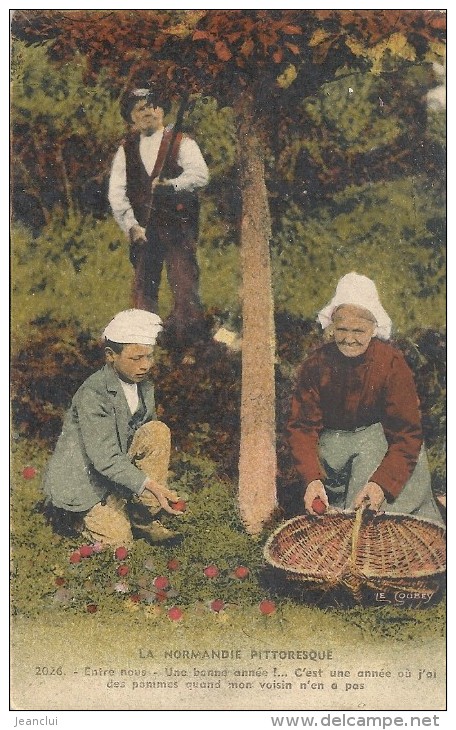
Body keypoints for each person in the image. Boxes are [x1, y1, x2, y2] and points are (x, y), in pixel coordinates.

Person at [286, 272, 443, 525]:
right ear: (331, 328)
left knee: (376, 454)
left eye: (358, 330)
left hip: (380, 448)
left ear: (373, 329)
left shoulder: (390, 363)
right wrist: (311, 478)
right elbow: (302, 427)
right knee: (335, 512)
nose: (349, 338)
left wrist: (382, 484)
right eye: (342, 329)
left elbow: (407, 433)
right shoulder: (317, 365)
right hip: (335, 454)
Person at [42, 309, 184, 547]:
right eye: (136, 358)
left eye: (149, 356)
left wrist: (147, 487)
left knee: (157, 430)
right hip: (85, 479)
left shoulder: (144, 385)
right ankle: (70, 517)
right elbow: (105, 459)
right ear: (111, 355)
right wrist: (149, 484)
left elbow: (141, 435)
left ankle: (142, 517)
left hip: (114, 469)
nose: (145, 365)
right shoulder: (93, 394)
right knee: (120, 542)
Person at [108, 86, 210, 346]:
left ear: (162, 110)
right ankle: (144, 343)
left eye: (153, 106)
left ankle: (187, 344)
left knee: (184, 283)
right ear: (131, 117)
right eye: (140, 109)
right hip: (144, 231)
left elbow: (200, 174)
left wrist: (173, 185)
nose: (148, 113)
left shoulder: (181, 142)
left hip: (177, 229)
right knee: (144, 287)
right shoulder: (126, 150)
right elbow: (116, 194)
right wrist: (131, 226)